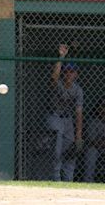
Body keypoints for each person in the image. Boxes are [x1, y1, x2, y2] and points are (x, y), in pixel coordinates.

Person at [47, 44, 84, 181]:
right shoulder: (59, 83)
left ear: (76, 74)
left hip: (68, 121)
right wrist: (61, 57)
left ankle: (68, 180)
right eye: (67, 71)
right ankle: (56, 179)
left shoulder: (78, 90)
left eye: (72, 71)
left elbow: (79, 112)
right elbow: (54, 78)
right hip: (54, 117)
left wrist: (78, 135)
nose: (69, 73)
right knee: (56, 151)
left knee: (71, 152)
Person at [83, 99, 105, 182]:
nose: (103, 109)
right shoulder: (93, 121)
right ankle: (88, 180)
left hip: (101, 146)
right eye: (102, 106)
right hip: (95, 148)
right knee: (91, 151)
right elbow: (92, 142)